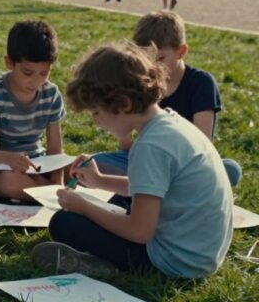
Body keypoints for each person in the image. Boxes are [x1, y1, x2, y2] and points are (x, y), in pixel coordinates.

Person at [31, 43, 233, 279]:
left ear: (123, 104)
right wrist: (100, 181)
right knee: (115, 202)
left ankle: (103, 266)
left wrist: (83, 207)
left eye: (97, 112)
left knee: (64, 223)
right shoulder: (169, 124)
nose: (96, 122)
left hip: (175, 262)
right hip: (199, 254)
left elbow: (139, 231)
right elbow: (152, 186)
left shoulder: (151, 146)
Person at [89, 11, 242, 186]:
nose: (153, 65)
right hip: (146, 158)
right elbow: (127, 147)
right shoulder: (141, 82)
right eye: (146, 59)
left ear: (181, 51)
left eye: (160, 58)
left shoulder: (202, 83)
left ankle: (148, 186)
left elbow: (203, 143)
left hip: (185, 163)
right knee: (94, 163)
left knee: (230, 169)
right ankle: (150, 186)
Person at [0, 20, 65, 202]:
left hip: (37, 160)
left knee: (81, 166)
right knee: (9, 183)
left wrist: (57, 178)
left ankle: (48, 191)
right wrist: (10, 159)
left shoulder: (51, 93)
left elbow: (56, 150)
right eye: (27, 73)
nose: (36, 82)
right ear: (9, 62)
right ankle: (55, 195)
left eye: (44, 73)